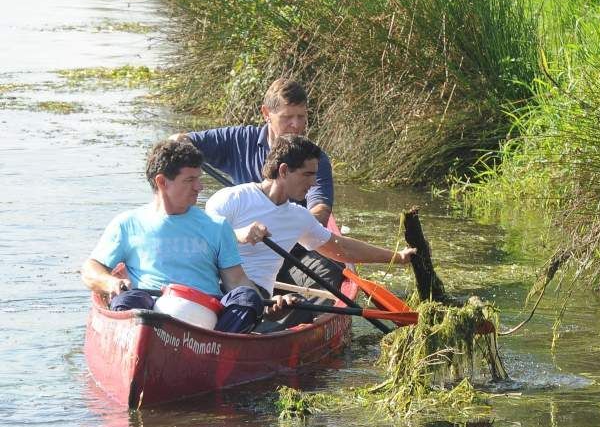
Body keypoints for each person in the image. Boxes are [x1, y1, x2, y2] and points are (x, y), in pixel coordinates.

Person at [204, 134, 416, 329]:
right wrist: (239, 235)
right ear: (284, 170)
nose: (314, 183)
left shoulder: (299, 217)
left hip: (257, 299)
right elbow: (200, 241)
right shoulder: (231, 199)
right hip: (213, 284)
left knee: (295, 307)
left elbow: (342, 249)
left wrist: (397, 257)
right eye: (308, 174)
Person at [81, 139, 276, 334]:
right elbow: (90, 269)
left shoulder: (217, 226)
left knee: (247, 297)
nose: (199, 187)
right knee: (126, 300)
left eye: (198, 178)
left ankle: (213, 345)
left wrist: (268, 305)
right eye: (190, 180)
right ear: (162, 182)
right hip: (149, 311)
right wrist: (111, 282)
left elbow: (236, 280)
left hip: (207, 312)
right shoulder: (127, 223)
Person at [171, 78, 341, 290]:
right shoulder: (237, 140)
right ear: (266, 114)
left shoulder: (314, 158)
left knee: (330, 273)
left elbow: (321, 210)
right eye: (287, 117)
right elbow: (177, 141)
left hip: (292, 249)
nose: (296, 125)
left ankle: (300, 316)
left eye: (302, 117)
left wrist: (290, 228)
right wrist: (188, 160)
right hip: (240, 248)